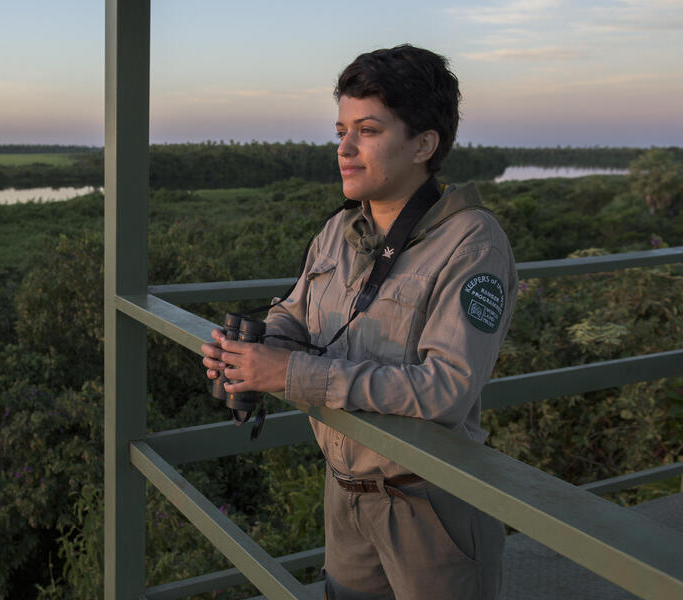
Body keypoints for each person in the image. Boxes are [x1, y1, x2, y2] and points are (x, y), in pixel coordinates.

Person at [200, 44, 517, 599]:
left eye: (367, 130)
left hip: (429, 505)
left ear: (424, 143)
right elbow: (291, 318)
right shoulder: (339, 232)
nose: (344, 149)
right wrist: (253, 356)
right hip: (343, 495)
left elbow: (447, 389)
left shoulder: (472, 242)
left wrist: (289, 374)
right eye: (340, 130)